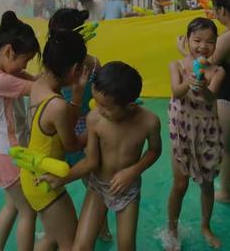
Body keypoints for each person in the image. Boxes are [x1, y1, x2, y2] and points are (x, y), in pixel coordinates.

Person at [40, 62, 161, 251]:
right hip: (98, 186)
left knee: (127, 247)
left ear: (130, 105)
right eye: (96, 102)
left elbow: (154, 150)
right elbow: (91, 161)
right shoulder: (95, 119)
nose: (98, 108)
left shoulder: (149, 121)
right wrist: (63, 178)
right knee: (80, 247)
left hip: (127, 191)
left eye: (106, 107)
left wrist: (133, 171)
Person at [178, 0, 230, 203]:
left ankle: (227, 192)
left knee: (223, 147)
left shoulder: (229, 36)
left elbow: (204, 65)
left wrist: (185, 52)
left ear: (222, 10)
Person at [20, 29, 88, 250]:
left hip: (32, 173)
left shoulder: (39, 83)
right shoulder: (57, 105)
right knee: (71, 243)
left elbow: (60, 127)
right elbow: (72, 145)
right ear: (75, 69)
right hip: (45, 181)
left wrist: (76, 98)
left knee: (52, 238)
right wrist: (97, 128)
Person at [0, 11, 40, 251]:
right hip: (8, 153)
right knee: (28, 211)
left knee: (12, 206)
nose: (25, 66)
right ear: (8, 52)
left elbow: (30, 78)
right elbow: (37, 89)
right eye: (24, 60)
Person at [49, 8, 111, 242]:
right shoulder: (93, 63)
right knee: (94, 183)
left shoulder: (55, 67)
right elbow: (105, 93)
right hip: (88, 129)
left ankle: (54, 230)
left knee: (52, 183)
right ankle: (103, 232)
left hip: (61, 130)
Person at [167, 18, 225, 250]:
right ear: (188, 39)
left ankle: (205, 226)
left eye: (209, 41)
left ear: (216, 43)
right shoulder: (177, 65)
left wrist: (203, 87)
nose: (203, 46)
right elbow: (176, 92)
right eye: (197, 40)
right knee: (180, 184)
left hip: (207, 129)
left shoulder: (218, 71)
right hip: (181, 127)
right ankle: (172, 227)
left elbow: (212, 97)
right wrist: (189, 81)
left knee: (208, 183)